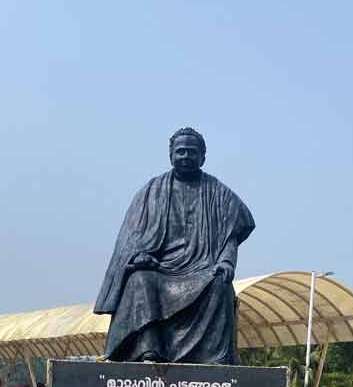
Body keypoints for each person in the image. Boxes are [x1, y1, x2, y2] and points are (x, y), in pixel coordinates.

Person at [93, 127, 255, 365]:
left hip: (201, 271)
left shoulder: (219, 193)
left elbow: (232, 233)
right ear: (171, 156)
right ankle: (149, 351)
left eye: (192, 152)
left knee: (220, 284)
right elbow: (132, 239)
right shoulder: (152, 190)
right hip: (160, 269)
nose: (186, 156)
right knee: (140, 279)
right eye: (181, 152)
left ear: (203, 157)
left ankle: (214, 360)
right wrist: (140, 257)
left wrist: (226, 261)